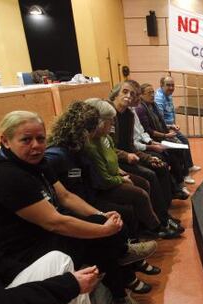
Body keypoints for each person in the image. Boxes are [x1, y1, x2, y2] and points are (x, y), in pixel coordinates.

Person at [0, 110, 155, 304]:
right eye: (26, 140)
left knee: (100, 226)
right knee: (99, 239)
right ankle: (121, 281)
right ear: (6, 141)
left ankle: (120, 284)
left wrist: (100, 215)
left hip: (35, 235)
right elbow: (54, 222)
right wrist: (104, 230)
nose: (36, 145)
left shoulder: (37, 162)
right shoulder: (7, 176)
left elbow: (65, 196)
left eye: (40, 138)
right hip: (16, 256)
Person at [46, 101, 161, 278]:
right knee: (121, 215)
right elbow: (67, 197)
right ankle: (126, 276)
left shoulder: (82, 147)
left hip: (87, 198)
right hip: (78, 205)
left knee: (126, 209)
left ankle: (132, 259)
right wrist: (100, 215)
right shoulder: (58, 156)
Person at [83, 98, 182, 239]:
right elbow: (103, 178)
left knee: (147, 180)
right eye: (110, 121)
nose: (112, 125)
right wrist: (121, 178)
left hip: (119, 170)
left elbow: (116, 156)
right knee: (141, 191)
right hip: (108, 182)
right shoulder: (91, 145)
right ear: (99, 122)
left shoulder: (107, 137)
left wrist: (121, 171)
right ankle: (155, 226)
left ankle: (160, 217)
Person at [0, 239, 95, 304]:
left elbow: (0, 264)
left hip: (0, 291)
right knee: (60, 261)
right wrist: (68, 285)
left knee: (57, 260)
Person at [137, 83, 191, 192]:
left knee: (182, 146)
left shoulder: (153, 105)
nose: (152, 95)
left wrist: (170, 126)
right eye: (149, 93)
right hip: (155, 139)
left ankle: (181, 178)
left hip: (161, 136)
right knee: (174, 154)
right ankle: (179, 183)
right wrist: (165, 136)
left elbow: (160, 123)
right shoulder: (141, 109)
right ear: (141, 95)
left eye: (153, 92)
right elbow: (149, 131)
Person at [155, 76, 201, 184]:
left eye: (172, 85)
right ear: (162, 85)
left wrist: (174, 125)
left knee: (185, 140)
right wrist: (170, 127)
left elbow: (171, 112)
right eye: (168, 85)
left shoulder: (168, 95)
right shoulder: (159, 99)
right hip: (165, 129)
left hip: (171, 127)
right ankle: (185, 174)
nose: (171, 88)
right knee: (181, 145)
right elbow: (159, 121)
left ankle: (189, 166)